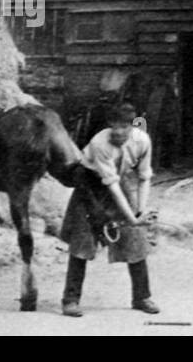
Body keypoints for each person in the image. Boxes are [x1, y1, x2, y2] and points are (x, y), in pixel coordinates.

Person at [58, 101, 159, 317]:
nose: (119, 131)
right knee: (82, 243)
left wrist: (139, 212)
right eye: (115, 126)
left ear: (133, 126)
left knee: (135, 240)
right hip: (90, 187)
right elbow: (109, 184)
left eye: (125, 127)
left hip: (121, 184)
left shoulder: (142, 141)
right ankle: (70, 300)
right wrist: (131, 217)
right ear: (109, 124)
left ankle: (142, 297)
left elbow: (144, 177)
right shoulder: (99, 143)